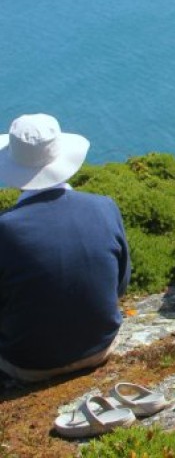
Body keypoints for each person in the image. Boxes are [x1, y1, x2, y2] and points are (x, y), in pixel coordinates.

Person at [0, 113, 131, 382]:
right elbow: (121, 284)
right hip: (100, 347)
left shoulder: (5, 229)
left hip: (27, 364)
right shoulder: (105, 207)